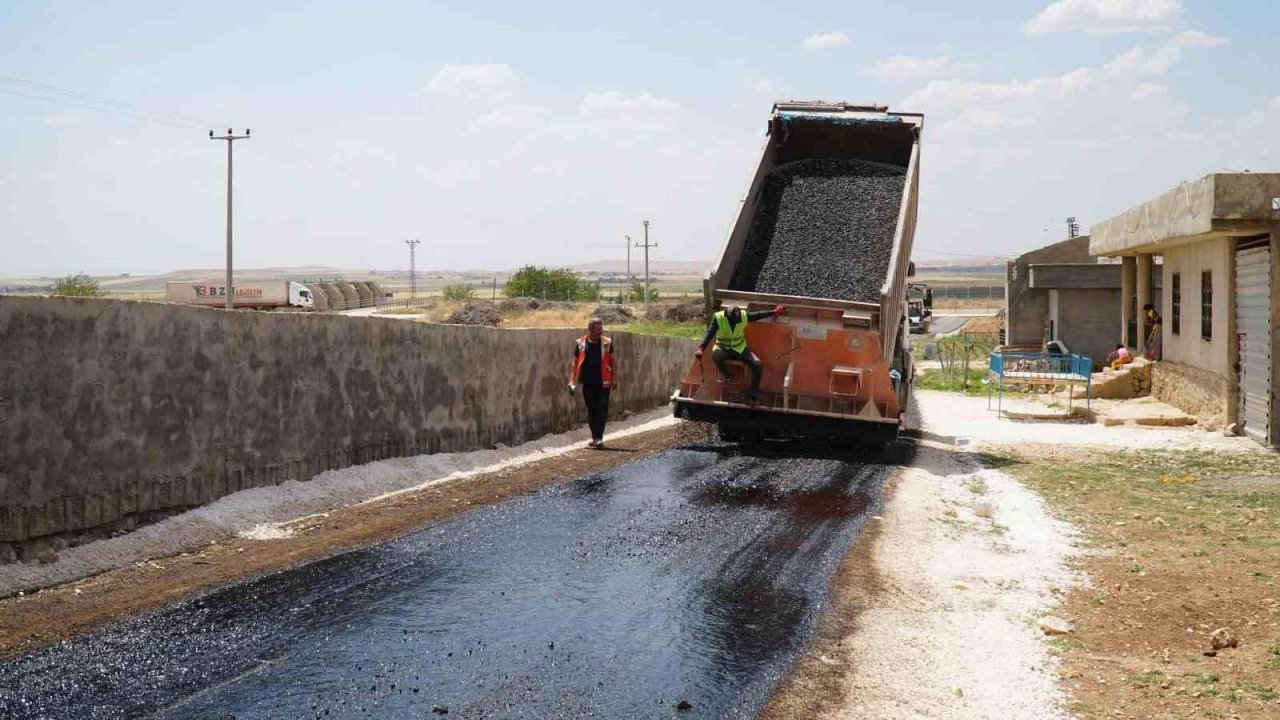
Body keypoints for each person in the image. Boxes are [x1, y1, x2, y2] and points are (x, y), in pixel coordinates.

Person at [695, 304, 784, 404]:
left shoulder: (743, 315)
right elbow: (710, 333)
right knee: (716, 356)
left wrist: (774, 311)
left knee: (757, 364)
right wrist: (701, 348)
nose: (737, 321)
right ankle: (728, 375)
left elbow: (758, 315)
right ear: (728, 316)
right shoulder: (718, 318)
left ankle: (752, 395)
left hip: (740, 348)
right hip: (722, 348)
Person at [568, 317, 617, 448]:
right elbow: (575, 363)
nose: (600, 331)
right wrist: (572, 381)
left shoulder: (607, 342)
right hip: (588, 383)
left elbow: (613, 361)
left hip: (604, 383)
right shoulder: (580, 343)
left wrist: (615, 378)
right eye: (597, 329)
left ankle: (598, 437)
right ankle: (595, 437)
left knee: (602, 409)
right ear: (590, 329)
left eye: (601, 329)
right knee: (592, 410)